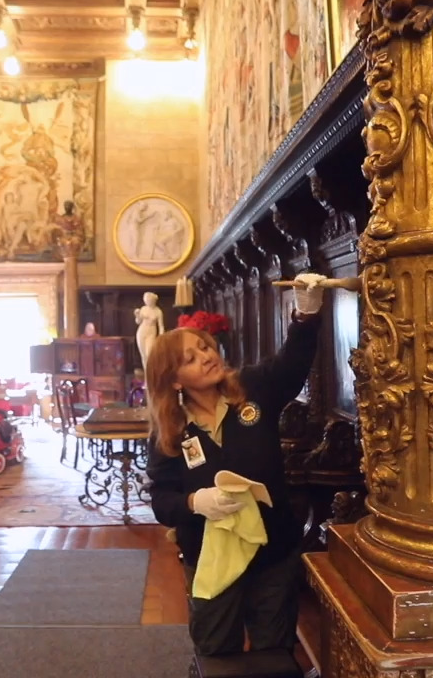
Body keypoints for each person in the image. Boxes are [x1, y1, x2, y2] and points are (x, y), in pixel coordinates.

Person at [144, 273, 327, 657]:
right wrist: (196, 503)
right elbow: (162, 501)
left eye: (205, 347)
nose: (207, 356)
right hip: (210, 555)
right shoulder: (170, 431)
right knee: (216, 648)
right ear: (174, 380)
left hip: (273, 549)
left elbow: (292, 363)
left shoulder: (253, 388)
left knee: (273, 650)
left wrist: (306, 314)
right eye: (190, 359)